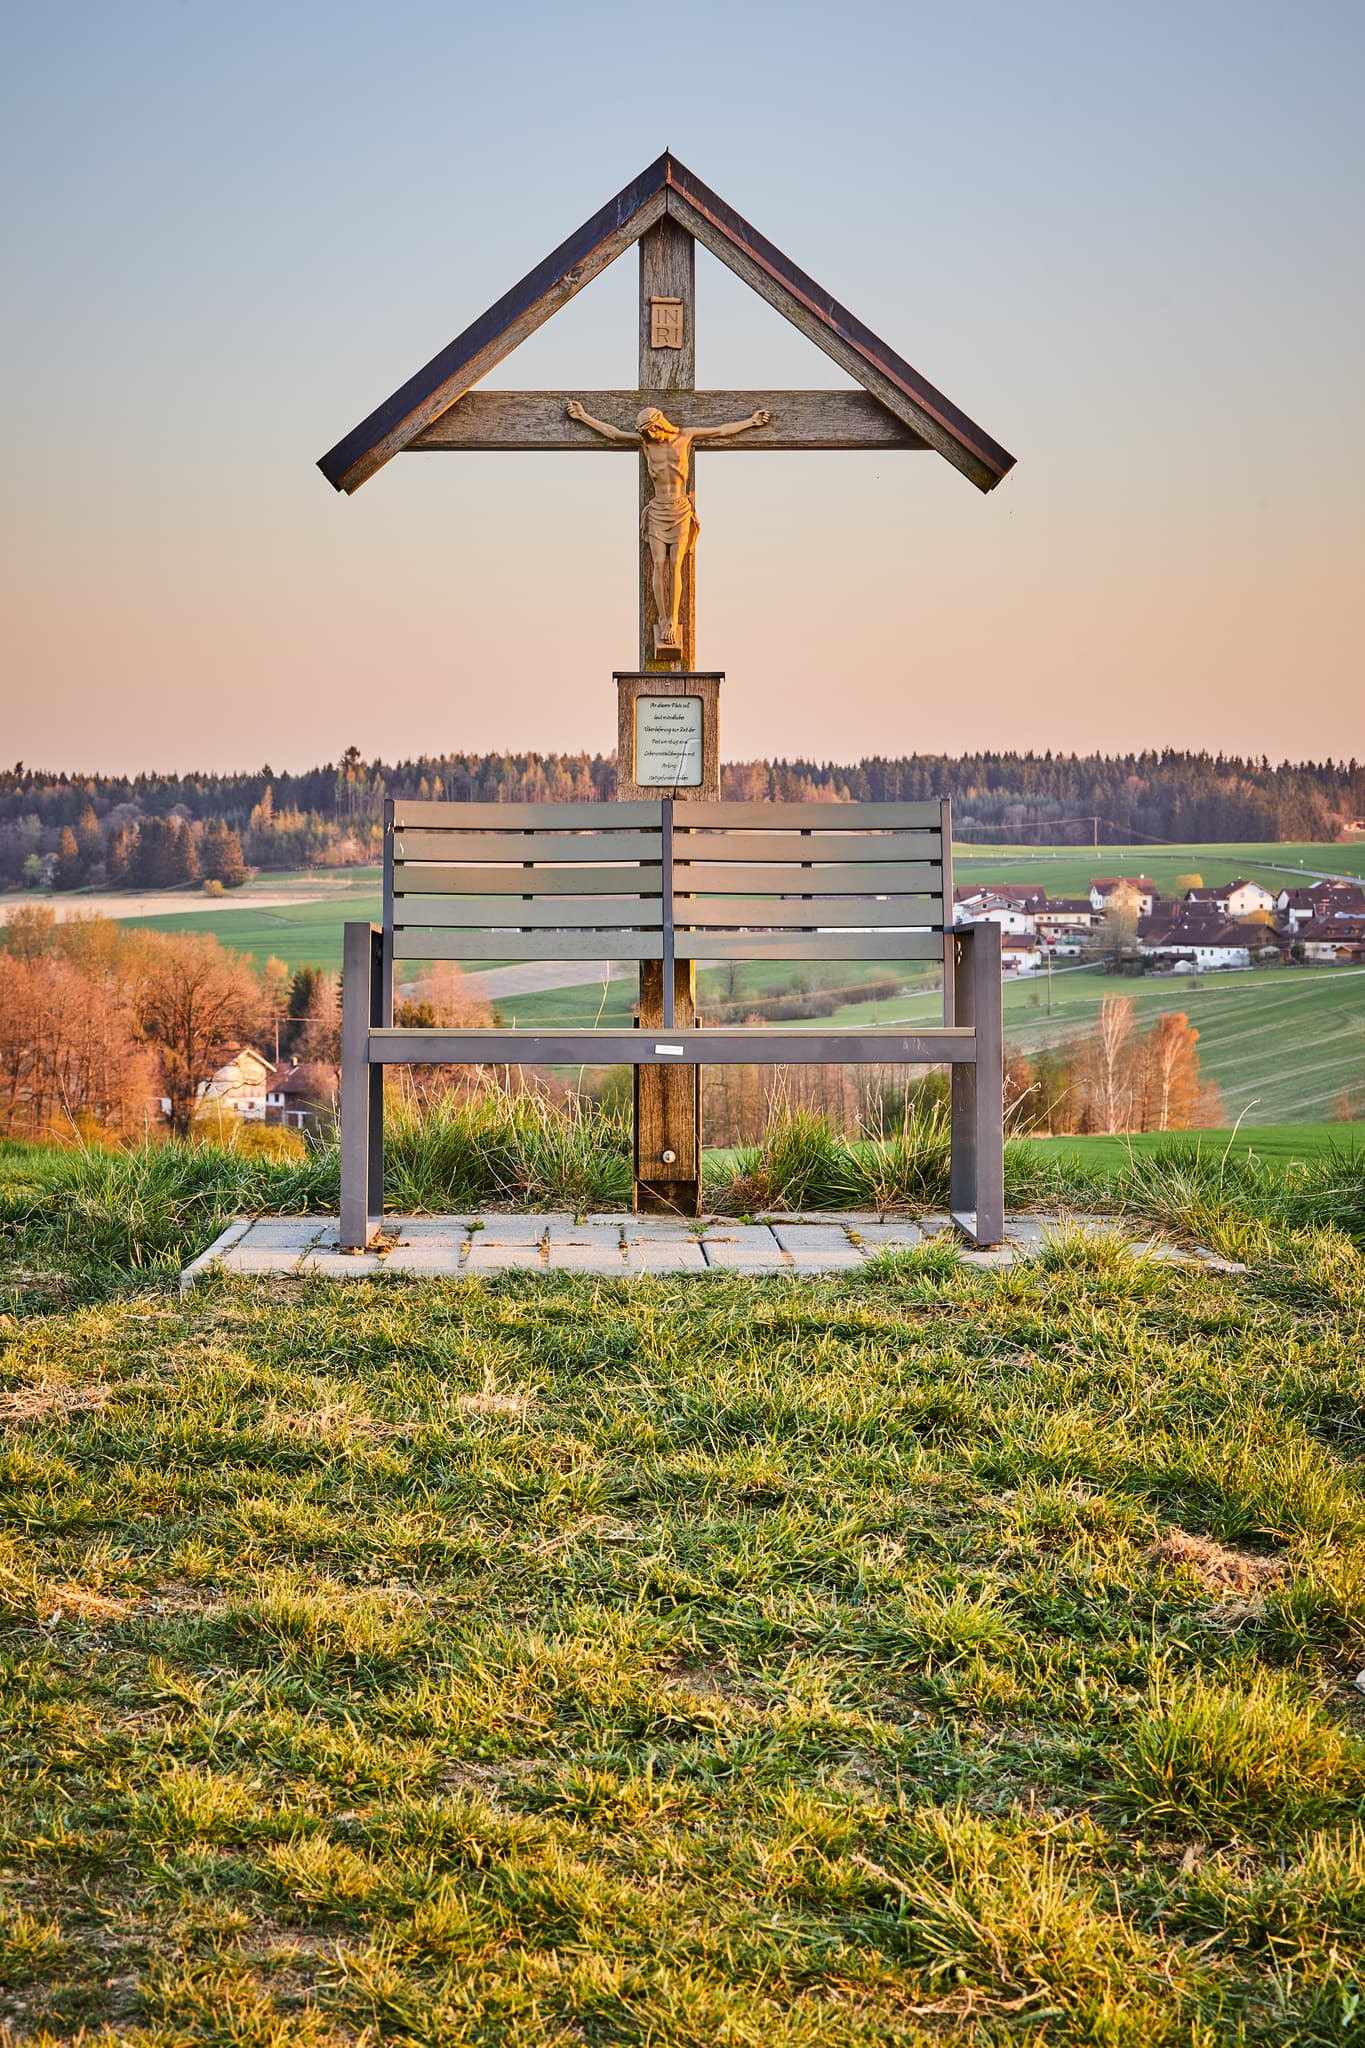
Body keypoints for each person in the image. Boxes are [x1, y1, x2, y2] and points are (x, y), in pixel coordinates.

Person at [566, 400, 771, 651]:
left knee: (675, 566)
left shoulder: (686, 436)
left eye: (652, 429)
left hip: (680, 509)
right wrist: (583, 416)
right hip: (657, 509)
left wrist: (751, 422)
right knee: (658, 565)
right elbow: (612, 433)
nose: (650, 435)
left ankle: (673, 619)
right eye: (645, 432)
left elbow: (721, 429)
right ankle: (663, 619)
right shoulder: (645, 444)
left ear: (660, 422)